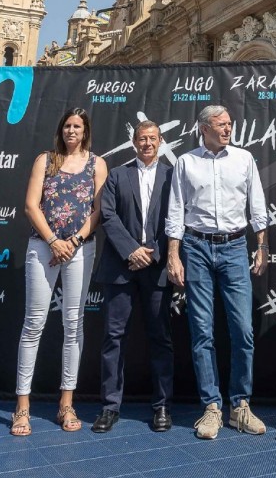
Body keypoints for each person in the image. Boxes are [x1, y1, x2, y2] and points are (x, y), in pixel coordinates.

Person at [166, 105, 269, 440]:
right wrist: (173, 255)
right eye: (221, 124)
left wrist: (262, 245)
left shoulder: (244, 159)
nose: (228, 129)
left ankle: (240, 406)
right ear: (204, 128)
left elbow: (257, 205)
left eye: (229, 124)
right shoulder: (185, 162)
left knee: (243, 330)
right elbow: (176, 209)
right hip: (195, 248)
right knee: (202, 332)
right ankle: (211, 408)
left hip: (235, 247)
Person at [11, 108, 108, 436]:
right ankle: (22, 407)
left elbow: (99, 211)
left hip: (81, 248)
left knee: (73, 324)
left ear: (85, 132)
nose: (71, 131)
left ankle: (66, 404)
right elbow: (30, 205)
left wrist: (75, 240)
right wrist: (54, 241)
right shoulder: (45, 160)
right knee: (33, 324)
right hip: (43, 247)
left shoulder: (98, 164)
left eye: (77, 126)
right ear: (60, 129)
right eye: (66, 125)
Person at [91, 121, 174, 434]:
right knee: (114, 338)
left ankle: (162, 405)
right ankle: (110, 407)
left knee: (161, 339)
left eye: (153, 138)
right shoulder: (117, 175)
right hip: (120, 269)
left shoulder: (173, 175)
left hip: (156, 268)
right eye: (142, 138)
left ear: (160, 141)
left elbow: (177, 218)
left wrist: (152, 253)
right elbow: (107, 216)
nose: (147, 143)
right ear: (134, 142)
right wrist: (131, 251)